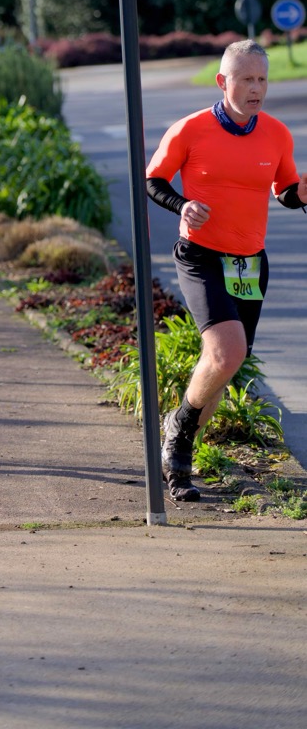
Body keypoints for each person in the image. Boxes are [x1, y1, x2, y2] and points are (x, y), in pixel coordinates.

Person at [146, 39, 307, 502]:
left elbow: (286, 190)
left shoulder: (277, 134)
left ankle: (179, 455)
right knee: (226, 353)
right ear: (222, 81)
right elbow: (154, 179)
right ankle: (178, 438)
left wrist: (301, 193)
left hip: (250, 262)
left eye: (262, 79)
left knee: (224, 363)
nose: (257, 89)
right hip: (200, 255)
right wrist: (183, 205)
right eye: (246, 79)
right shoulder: (190, 129)